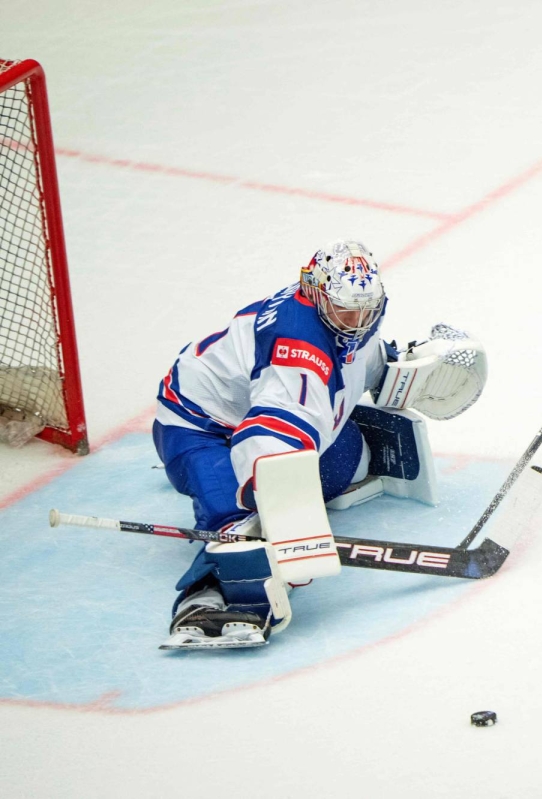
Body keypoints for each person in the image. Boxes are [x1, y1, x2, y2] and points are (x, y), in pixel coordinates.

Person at [153, 239, 486, 650]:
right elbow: (271, 435)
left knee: (349, 462)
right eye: (347, 311)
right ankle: (205, 594)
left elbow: (357, 353)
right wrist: (287, 521)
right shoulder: (298, 347)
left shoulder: (347, 308)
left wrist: (398, 368)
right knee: (239, 523)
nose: (357, 321)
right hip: (197, 426)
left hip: (260, 403)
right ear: (313, 292)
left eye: (367, 309)